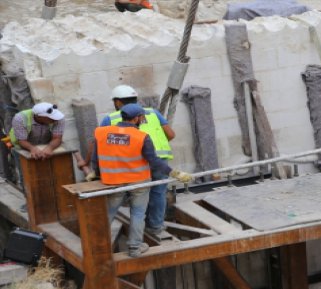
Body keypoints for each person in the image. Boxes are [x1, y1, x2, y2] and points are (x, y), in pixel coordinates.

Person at [90, 104, 192, 257]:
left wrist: (96, 174)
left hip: (114, 181)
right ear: (136, 118)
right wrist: (175, 173)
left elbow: (95, 158)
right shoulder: (141, 136)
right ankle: (135, 248)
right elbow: (154, 161)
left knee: (108, 213)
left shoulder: (102, 132)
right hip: (138, 181)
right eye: (142, 117)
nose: (142, 120)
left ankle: (95, 249)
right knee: (138, 214)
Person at [100, 85, 176, 236]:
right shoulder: (153, 113)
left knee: (135, 197)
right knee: (158, 193)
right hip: (160, 160)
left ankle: (104, 234)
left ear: (118, 102)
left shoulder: (111, 118)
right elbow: (171, 134)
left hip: (135, 163)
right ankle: (155, 226)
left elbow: (99, 142)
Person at [8, 102, 66, 184]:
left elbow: (57, 138)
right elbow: (22, 141)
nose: (54, 119)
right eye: (50, 118)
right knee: (27, 176)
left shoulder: (59, 118)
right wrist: (32, 148)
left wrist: (49, 148)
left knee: (53, 173)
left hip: (47, 143)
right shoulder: (20, 118)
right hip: (24, 146)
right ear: (39, 116)